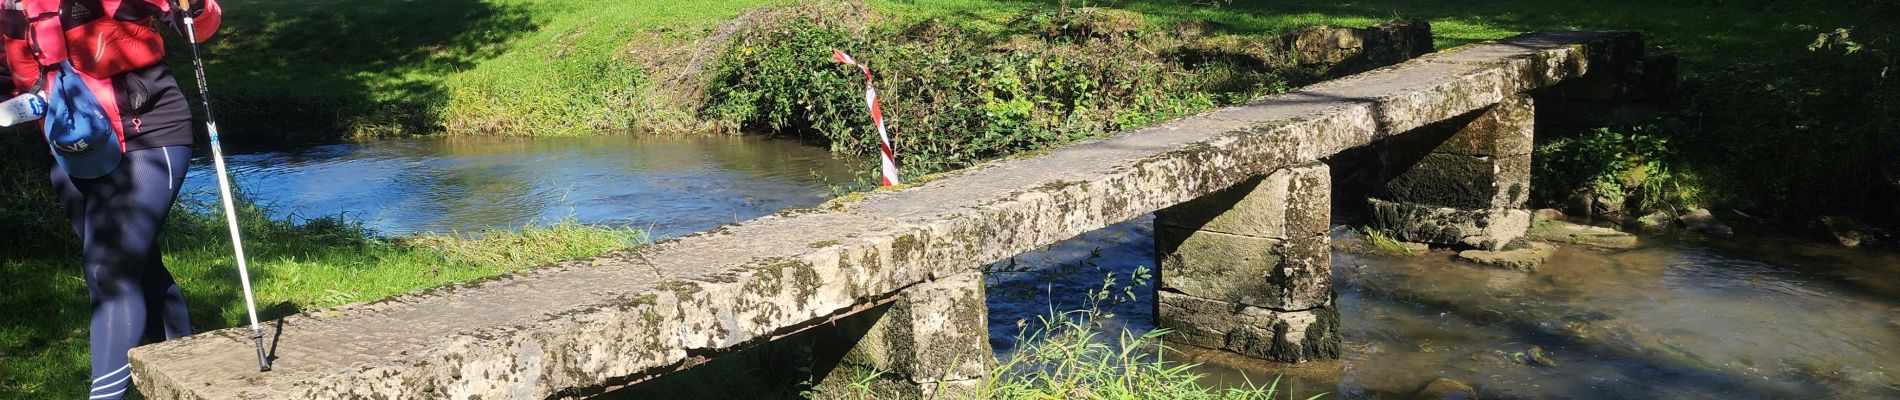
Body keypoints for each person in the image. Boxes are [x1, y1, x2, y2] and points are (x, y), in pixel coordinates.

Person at [0, 0, 220, 398]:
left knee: (110, 269)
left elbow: (199, 24)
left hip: (149, 134)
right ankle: (190, 378)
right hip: (70, 148)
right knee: (139, 268)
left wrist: (197, 7)